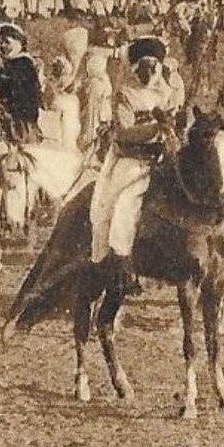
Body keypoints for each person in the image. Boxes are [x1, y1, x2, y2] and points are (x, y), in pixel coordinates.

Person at [89, 36, 183, 290]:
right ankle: (121, 263)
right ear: (136, 67)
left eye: (154, 66)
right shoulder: (125, 94)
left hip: (160, 159)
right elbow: (124, 132)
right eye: (145, 66)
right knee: (121, 207)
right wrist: (155, 127)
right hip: (132, 160)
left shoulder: (165, 93)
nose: (150, 71)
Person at [0, 23, 43, 144]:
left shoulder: (24, 63)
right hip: (7, 114)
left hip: (21, 119)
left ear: (17, 43)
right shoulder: (7, 63)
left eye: (7, 42)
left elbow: (22, 92)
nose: (3, 46)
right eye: (2, 42)